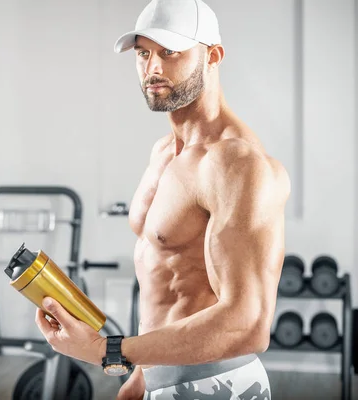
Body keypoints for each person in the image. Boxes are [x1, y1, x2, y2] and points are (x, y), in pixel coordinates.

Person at [34, 0, 290, 399]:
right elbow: (170, 287)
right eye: (143, 52)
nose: (152, 67)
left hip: (217, 385)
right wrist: (139, 380)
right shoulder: (163, 154)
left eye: (170, 52)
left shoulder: (237, 164)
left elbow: (249, 322)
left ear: (213, 56)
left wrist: (108, 350)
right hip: (160, 379)